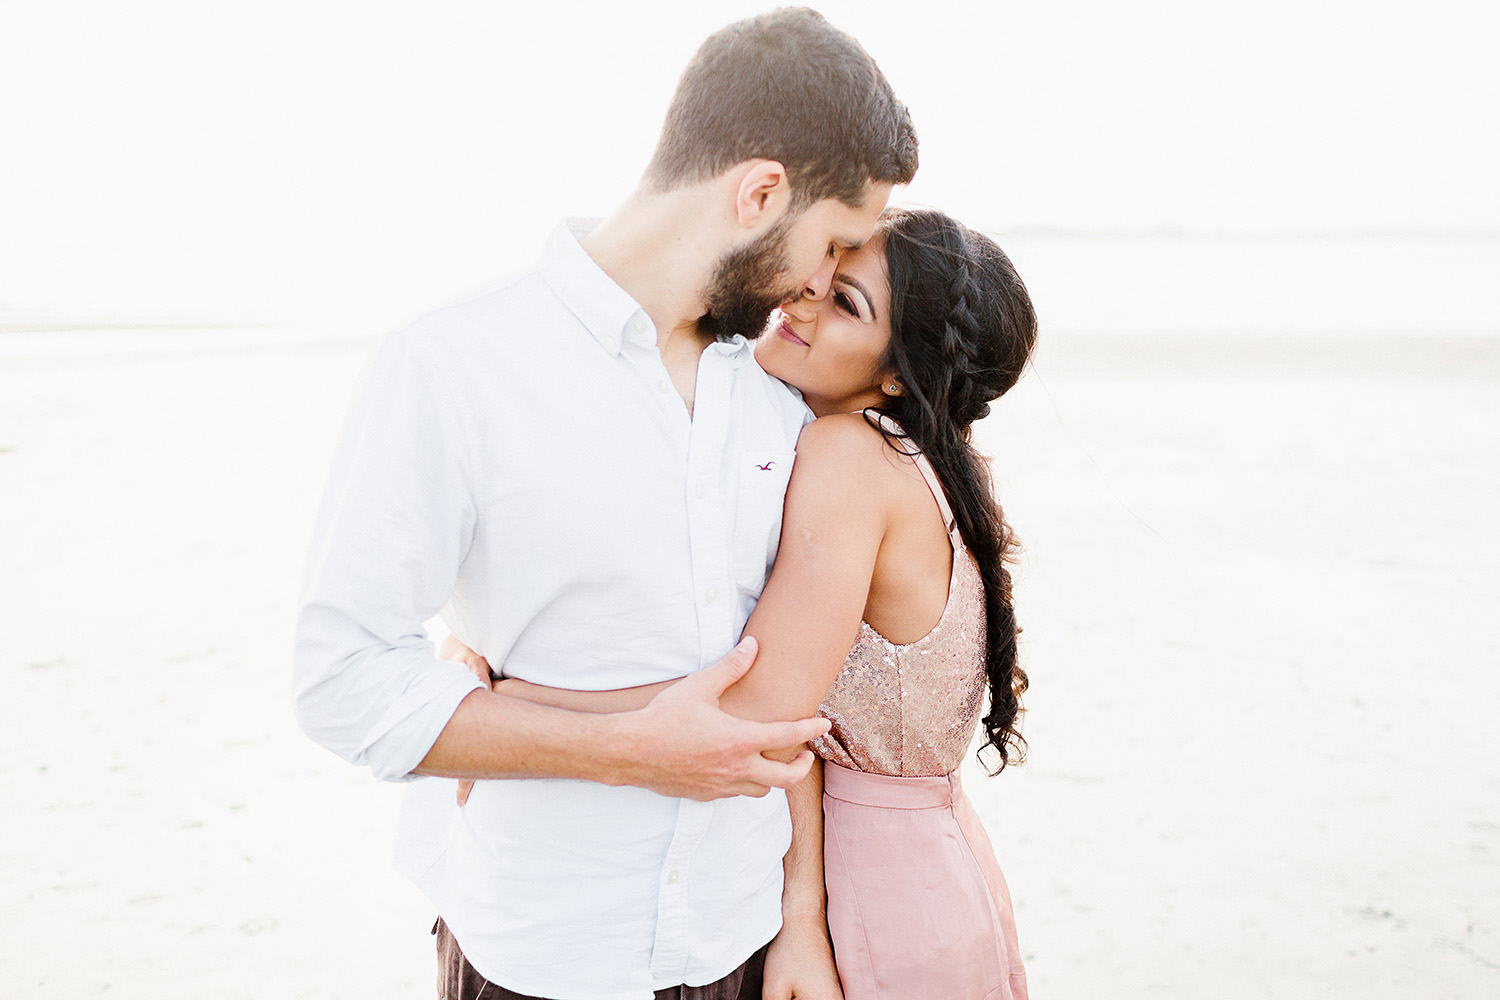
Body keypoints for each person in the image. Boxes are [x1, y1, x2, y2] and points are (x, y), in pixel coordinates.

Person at [292, 7, 918, 1000]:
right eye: (833, 242)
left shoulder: (780, 399)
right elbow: (341, 678)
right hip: (545, 955)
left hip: (740, 940)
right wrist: (618, 750)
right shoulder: (454, 363)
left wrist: (800, 919)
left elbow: (808, 684)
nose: (819, 282)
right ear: (760, 192)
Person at [455, 206, 1036, 999]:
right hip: (933, 868)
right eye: (827, 266)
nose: (804, 294)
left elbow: (758, 704)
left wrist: (511, 696)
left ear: (898, 372)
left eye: (845, 303)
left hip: (870, 894)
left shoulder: (849, 457)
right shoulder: (928, 467)